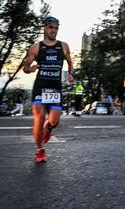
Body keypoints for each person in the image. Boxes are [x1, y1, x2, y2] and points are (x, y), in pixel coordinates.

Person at [23, 16, 74, 163]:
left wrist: (70, 74)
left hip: (55, 88)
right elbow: (25, 67)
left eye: (56, 28)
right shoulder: (36, 47)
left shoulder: (63, 46)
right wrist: (30, 68)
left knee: (54, 121)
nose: (54, 30)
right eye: (51, 27)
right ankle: (40, 151)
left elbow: (70, 63)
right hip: (40, 87)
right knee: (38, 118)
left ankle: (49, 128)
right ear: (45, 28)